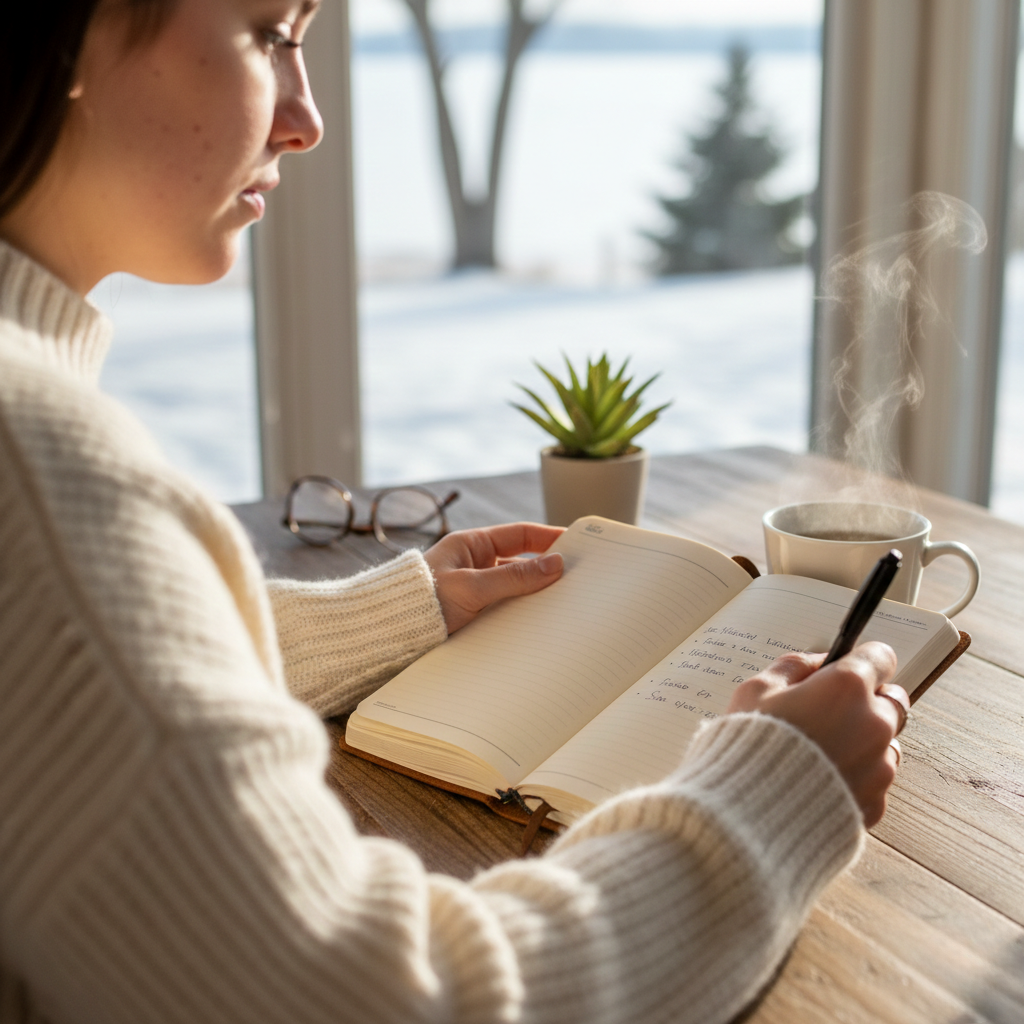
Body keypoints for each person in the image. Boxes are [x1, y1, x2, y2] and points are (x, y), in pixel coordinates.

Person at [0, 2, 907, 1022]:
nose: (306, 119)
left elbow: (64, 694)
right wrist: (774, 795)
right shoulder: (39, 474)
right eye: (268, 33)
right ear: (68, 31)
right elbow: (398, 1002)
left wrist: (386, 615)